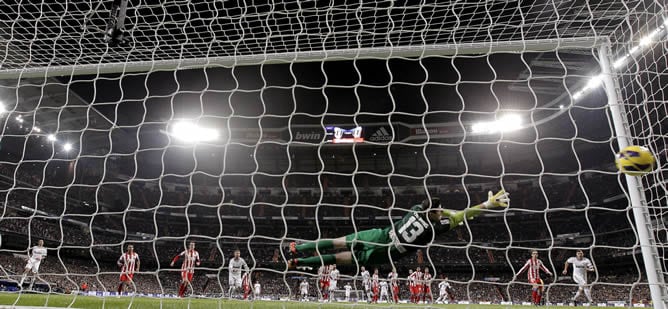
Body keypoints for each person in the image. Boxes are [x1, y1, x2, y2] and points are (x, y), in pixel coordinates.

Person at [287, 190, 509, 268]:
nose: (441, 213)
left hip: (377, 235)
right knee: (337, 259)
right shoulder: (434, 229)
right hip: (384, 253)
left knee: (337, 242)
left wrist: (441, 211)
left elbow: (441, 212)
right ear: (433, 214)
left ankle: (299, 247)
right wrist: (486, 205)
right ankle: (300, 263)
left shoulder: (415, 209)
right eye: (438, 211)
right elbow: (461, 215)